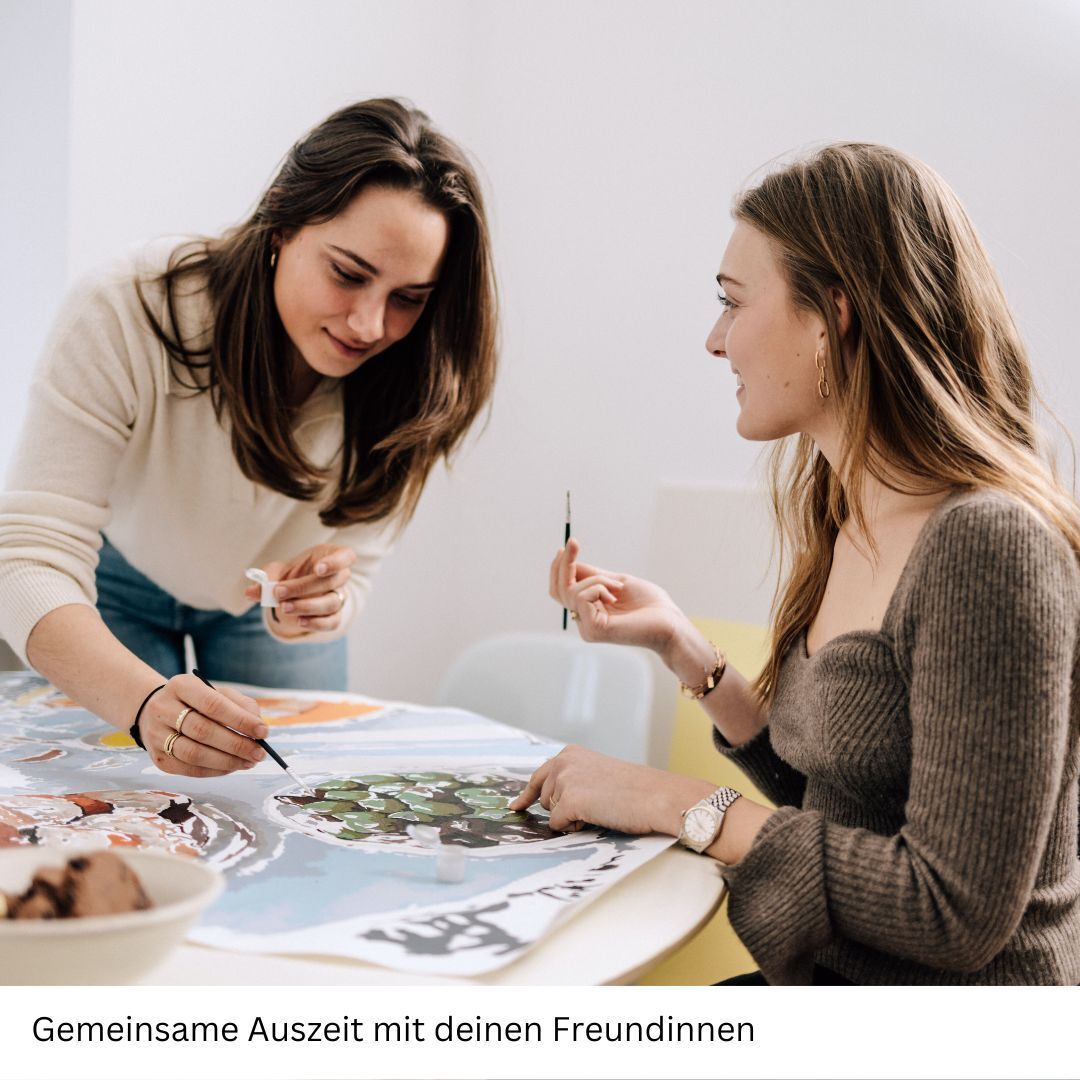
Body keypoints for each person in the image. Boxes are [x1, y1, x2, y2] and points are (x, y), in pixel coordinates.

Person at [511, 143, 1080, 985]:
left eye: (732, 303)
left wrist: (672, 802)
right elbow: (841, 806)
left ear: (831, 317)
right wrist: (686, 651)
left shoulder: (989, 547)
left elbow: (951, 911)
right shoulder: (849, 513)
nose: (714, 340)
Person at [0, 98, 497, 780]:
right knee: (112, 791)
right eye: (348, 274)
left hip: (261, 604)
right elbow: (27, 560)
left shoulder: (419, 372)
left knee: (294, 793)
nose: (369, 324)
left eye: (409, 297)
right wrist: (144, 704)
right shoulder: (126, 308)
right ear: (279, 220)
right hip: (112, 577)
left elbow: (358, 568)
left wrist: (326, 603)